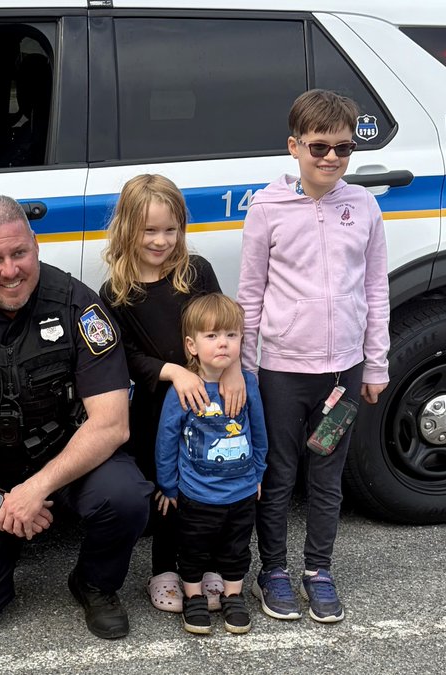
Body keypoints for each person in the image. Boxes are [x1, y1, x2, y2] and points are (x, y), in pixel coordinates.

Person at [0, 194, 151, 640]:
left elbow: (111, 423)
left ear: (35, 244)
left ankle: (95, 583)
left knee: (126, 495)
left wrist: (34, 489)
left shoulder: (79, 307)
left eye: (19, 253)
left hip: (67, 455)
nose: (11, 270)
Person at [235, 89, 390, 624]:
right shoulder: (267, 208)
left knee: (327, 476)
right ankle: (272, 572)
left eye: (343, 149)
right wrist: (246, 372)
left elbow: (375, 290)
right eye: (319, 147)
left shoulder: (364, 206)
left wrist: (375, 364)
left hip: (343, 372)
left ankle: (318, 570)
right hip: (281, 370)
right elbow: (250, 295)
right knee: (278, 475)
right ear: (294, 146)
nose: (331, 159)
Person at [98, 174, 246, 615]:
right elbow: (122, 355)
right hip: (158, 404)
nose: (161, 240)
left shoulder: (195, 273)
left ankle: (211, 566)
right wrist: (173, 372)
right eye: (149, 231)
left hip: (213, 405)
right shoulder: (117, 292)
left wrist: (234, 370)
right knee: (169, 487)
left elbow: (223, 323)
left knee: (213, 481)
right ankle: (163, 568)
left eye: (170, 229)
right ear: (127, 229)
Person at [154, 293, 267, 635]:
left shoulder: (247, 384)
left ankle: (233, 596)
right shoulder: (184, 389)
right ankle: (193, 598)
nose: (223, 344)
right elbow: (166, 439)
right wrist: (168, 485)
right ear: (191, 345)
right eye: (212, 336)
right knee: (193, 548)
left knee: (237, 547)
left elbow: (260, 433)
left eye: (231, 336)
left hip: (242, 491)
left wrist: (258, 473)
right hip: (196, 493)